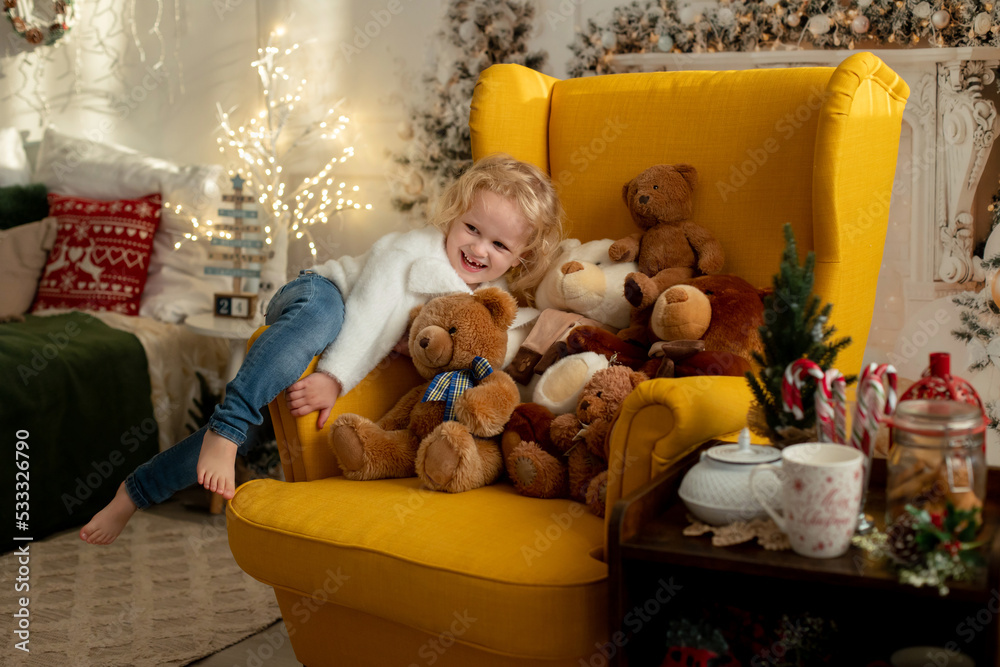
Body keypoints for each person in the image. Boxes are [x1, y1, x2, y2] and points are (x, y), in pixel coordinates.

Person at [80, 153, 564, 545]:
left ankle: (133, 493)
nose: (479, 249)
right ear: (455, 216)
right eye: (472, 229)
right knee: (320, 320)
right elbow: (371, 311)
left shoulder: (478, 297)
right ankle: (225, 430)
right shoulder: (413, 253)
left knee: (256, 432)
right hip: (322, 295)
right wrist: (335, 376)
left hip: (342, 343)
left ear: (520, 259)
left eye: (499, 245)